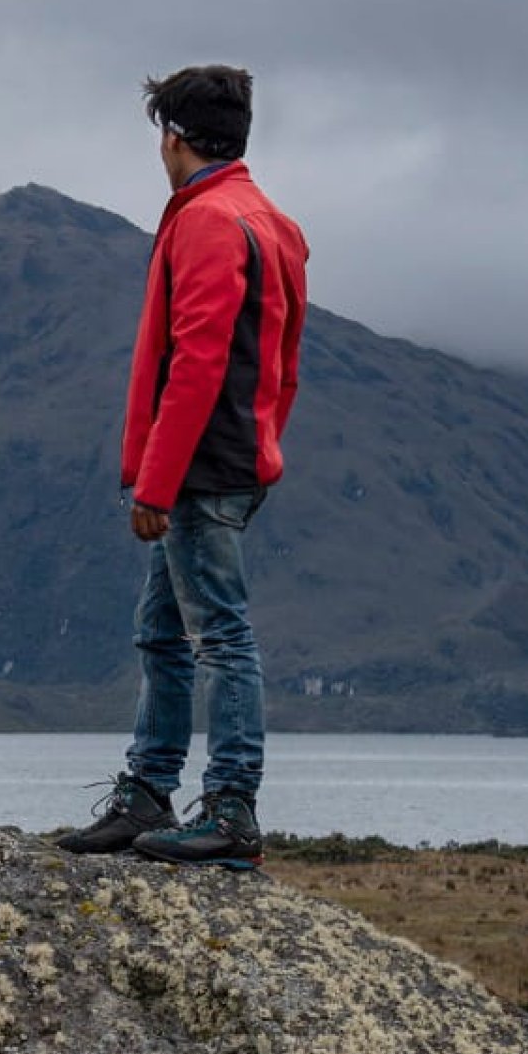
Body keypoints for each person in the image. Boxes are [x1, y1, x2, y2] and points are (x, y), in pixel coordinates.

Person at [57, 64, 308, 866]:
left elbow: (195, 361)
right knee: (161, 633)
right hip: (240, 459)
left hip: (199, 469)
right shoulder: (272, 221)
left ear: (174, 138)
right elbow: (285, 363)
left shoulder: (204, 222)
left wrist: (154, 482)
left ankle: (229, 806)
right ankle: (147, 792)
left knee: (217, 638)